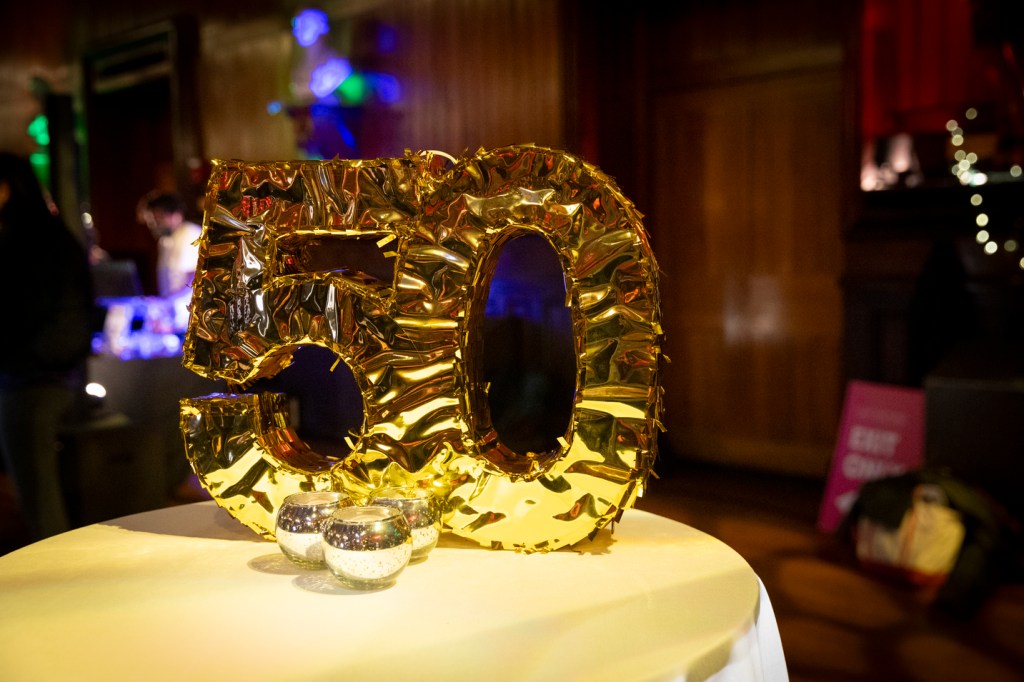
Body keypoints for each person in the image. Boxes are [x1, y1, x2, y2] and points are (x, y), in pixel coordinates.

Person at [0, 151, 95, 541]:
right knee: (37, 491)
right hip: (46, 375)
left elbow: (24, 313)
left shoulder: (26, 241)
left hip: (33, 380)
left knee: (39, 495)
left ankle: (55, 578)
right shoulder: (50, 236)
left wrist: (16, 356)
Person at [137, 190, 202, 332]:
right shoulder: (166, 241)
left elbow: (194, 278)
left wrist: (164, 302)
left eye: (157, 218)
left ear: (175, 214)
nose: (153, 224)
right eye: (151, 219)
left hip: (192, 324)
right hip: (176, 324)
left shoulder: (189, 234)